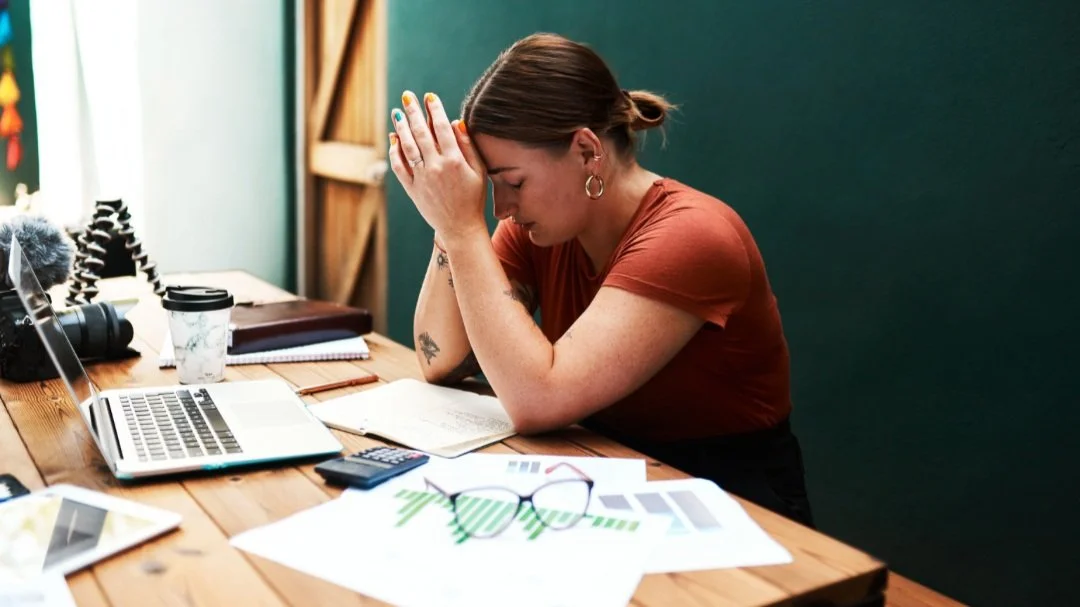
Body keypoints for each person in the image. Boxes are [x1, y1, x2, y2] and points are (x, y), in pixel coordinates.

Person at [386, 33, 814, 528]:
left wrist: (462, 228)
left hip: (730, 504)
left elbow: (537, 400)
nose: (500, 209)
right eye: (491, 185)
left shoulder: (693, 235)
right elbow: (439, 359)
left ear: (588, 151)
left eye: (514, 182)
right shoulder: (543, 227)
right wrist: (447, 223)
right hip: (603, 472)